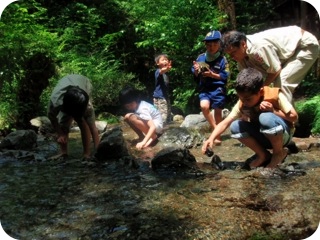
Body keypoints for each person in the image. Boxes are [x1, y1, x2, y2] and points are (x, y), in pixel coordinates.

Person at [202, 68, 298, 169]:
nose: (245, 102)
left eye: (248, 99)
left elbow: (294, 117)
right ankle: (263, 155)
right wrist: (211, 138)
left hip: (283, 135)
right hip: (265, 137)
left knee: (265, 117)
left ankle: (278, 153)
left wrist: (273, 110)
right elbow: (225, 122)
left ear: (260, 92)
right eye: (241, 98)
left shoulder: (274, 95)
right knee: (235, 126)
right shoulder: (242, 102)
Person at [222, 25, 319, 103]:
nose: (232, 57)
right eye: (229, 54)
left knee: (282, 82)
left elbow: (275, 71)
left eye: (233, 53)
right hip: (288, 52)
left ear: (243, 44)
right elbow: (247, 79)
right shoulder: (241, 55)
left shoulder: (258, 48)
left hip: (304, 45)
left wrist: (260, 90)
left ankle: (289, 123)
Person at [48, 74, 100, 160]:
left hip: (83, 85)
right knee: (63, 124)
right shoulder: (56, 102)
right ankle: (63, 152)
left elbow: (84, 125)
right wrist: (60, 134)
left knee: (89, 122)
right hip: (68, 98)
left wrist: (87, 154)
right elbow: (52, 119)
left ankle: (95, 150)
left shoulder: (84, 101)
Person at [191, 30, 229, 144]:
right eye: (208, 44)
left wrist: (212, 75)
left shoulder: (223, 59)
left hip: (218, 88)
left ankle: (217, 135)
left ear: (219, 44)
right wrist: (196, 70)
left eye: (214, 44)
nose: (211, 47)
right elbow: (194, 71)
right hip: (204, 88)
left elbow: (225, 75)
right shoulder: (201, 57)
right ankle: (215, 128)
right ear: (205, 45)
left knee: (218, 111)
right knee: (204, 107)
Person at [153, 53, 172, 124]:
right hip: (160, 97)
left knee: (168, 116)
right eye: (163, 60)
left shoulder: (166, 73)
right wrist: (165, 69)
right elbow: (161, 72)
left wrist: (166, 69)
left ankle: (167, 130)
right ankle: (160, 131)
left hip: (165, 96)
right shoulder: (158, 71)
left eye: (166, 60)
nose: (165, 61)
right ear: (157, 63)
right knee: (162, 117)